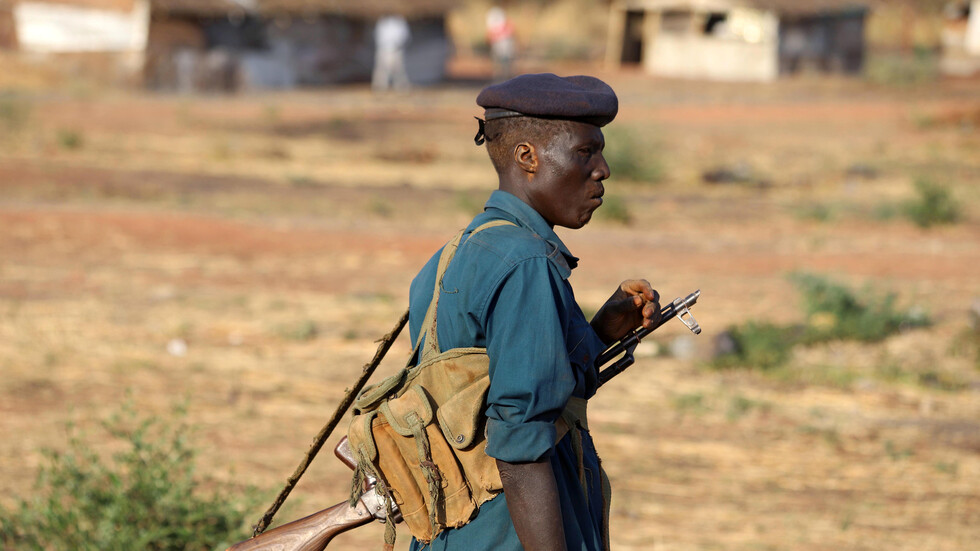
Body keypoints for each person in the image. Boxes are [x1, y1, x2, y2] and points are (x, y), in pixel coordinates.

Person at [406, 73, 662, 551]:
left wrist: (599, 332)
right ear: (527, 157)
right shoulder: (526, 264)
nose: (603, 169)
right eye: (585, 152)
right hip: (504, 533)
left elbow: (479, 381)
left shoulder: (458, 251)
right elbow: (522, 442)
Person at [372, 14, 411, 92]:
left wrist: (398, 44)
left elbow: (405, 36)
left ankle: (402, 88)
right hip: (384, 49)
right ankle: (379, 88)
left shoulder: (400, 22)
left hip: (397, 50)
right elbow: (377, 35)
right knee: (382, 70)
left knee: (399, 70)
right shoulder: (382, 22)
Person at [486, 6, 516, 82]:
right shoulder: (494, 18)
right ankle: (500, 79)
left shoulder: (503, 21)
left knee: (506, 63)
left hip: (504, 43)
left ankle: (505, 78)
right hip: (499, 43)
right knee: (499, 64)